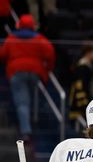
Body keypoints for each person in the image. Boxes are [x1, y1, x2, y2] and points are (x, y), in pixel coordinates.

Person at [0, 14, 55, 150]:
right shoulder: (39, 39)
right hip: (35, 73)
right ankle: (34, 120)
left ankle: (26, 132)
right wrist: (46, 70)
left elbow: (2, 55)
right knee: (31, 99)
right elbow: (50, 54)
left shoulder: (11, 38)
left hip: (17, 73)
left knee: (22, 103)